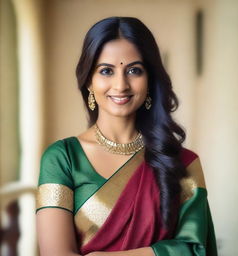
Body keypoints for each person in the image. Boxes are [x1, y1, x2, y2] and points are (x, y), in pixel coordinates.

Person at [36, 16, 218, 256]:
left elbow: (196, 250)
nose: (121, 85)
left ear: (150, 79)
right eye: (106, 71)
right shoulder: (63, 159)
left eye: (134, 70)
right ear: (89, 80)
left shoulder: (183, 163)